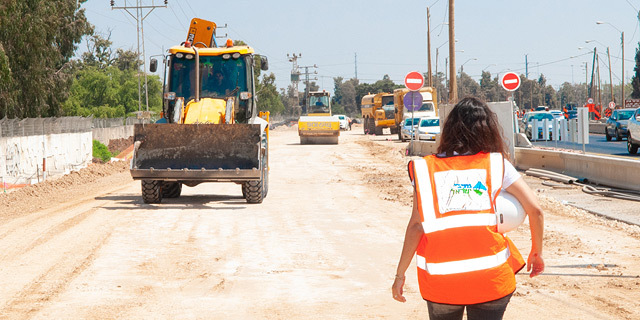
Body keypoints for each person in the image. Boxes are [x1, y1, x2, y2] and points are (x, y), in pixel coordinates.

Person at [391, 97, 545, 320]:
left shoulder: (425, 169)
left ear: (449, 129)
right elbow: (536, 210)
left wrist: (399, 274)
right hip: (491, 282)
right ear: (488, 130)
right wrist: (536, 253)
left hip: (442, 284)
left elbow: (416, 226)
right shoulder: (497, 164)